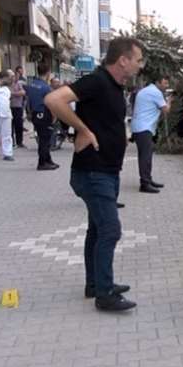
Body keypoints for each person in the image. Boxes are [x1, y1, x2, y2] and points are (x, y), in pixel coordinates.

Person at [44, 37, 145, 312]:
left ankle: (95, 284)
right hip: (92, 172)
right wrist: (83, 130)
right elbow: (54, 99)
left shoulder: (113, 86)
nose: (139, 65)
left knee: (97, 229)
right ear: (122, 60)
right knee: (111, 230)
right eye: (137, 60)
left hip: (106, 171)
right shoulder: (98, 81)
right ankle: (105, 294)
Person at [130, 73, 170, 193]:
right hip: (144, 128)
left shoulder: (146, 90)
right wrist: (169, 100)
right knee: (145, 157)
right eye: (165, 83)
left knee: (146, 155)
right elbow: (166, 110)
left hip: (140, 128)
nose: (167, 86)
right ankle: (145, 184)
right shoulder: (156, 93)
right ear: (158, 82)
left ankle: (148, 179)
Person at [25, 63, 58, 170]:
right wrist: (54, 116)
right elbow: (51, 104)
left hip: (35, 114)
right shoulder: (46, 88)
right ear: (48, 72)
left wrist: (29, 113)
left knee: (42, 138)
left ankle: (48, 160)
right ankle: (42, 163)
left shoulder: (32, 84)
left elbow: (28, 101)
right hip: (44, 114)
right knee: (45, 140)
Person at [10, 66, 27, 148]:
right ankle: (12, 143)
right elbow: (8, 94)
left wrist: (13, 94)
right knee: (10, 126)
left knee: (19, 125)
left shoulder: (20, 83)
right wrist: (17, 93)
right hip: (10, 107)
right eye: (14, 76)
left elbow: (23, 92)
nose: (16, 77)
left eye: (17, 76)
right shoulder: (8, 85)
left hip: (18, 106)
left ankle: (19, 142)